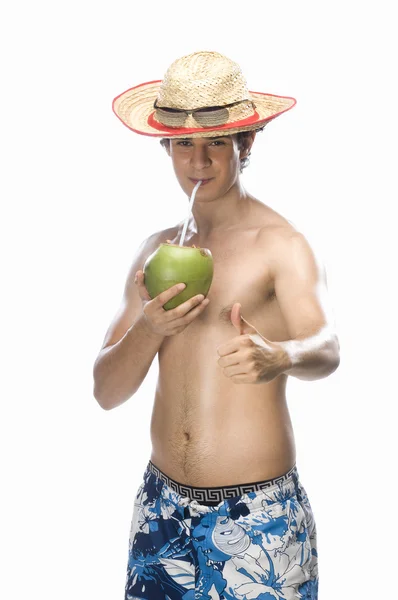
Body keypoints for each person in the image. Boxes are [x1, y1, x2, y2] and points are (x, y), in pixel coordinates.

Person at [93, 50, 340, 600]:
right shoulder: (156, 251)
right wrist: (151, 329)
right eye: (184, 144)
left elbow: (328, 345)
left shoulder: (281, 244)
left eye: (215, 144)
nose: (198, 161)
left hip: (258, 517)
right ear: (167, 148)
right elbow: (105, 392)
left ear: (245, 145)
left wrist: (283, 356)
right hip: (162, 509)